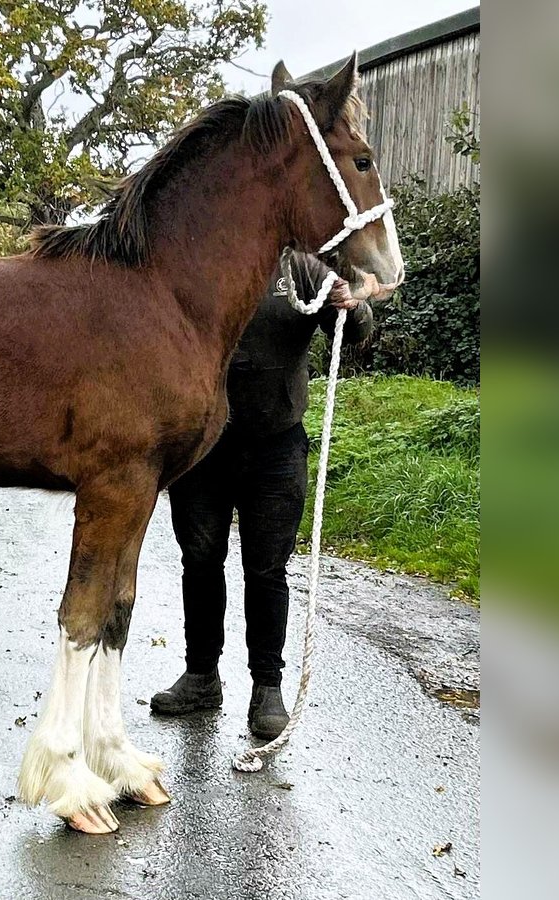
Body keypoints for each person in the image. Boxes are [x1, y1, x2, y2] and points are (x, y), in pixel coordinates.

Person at [150, 252, 389, 738]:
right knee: (199, 558)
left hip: (275, 446)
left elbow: (359, 330)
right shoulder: (202, 259)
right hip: (202, 445)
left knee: (266, 568)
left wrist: (353, 304)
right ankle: (201, 677)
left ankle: (267, 687)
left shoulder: (302, 269)